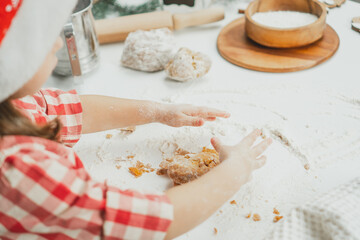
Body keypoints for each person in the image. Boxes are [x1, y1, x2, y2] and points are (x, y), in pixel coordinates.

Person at [0, 0, 272, 239]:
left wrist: (159, 112)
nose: (58, 42)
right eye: (40, 38)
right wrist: (235, 170)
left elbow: (71, 109)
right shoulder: (18, 169)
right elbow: (147, 221)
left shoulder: (10, 103)